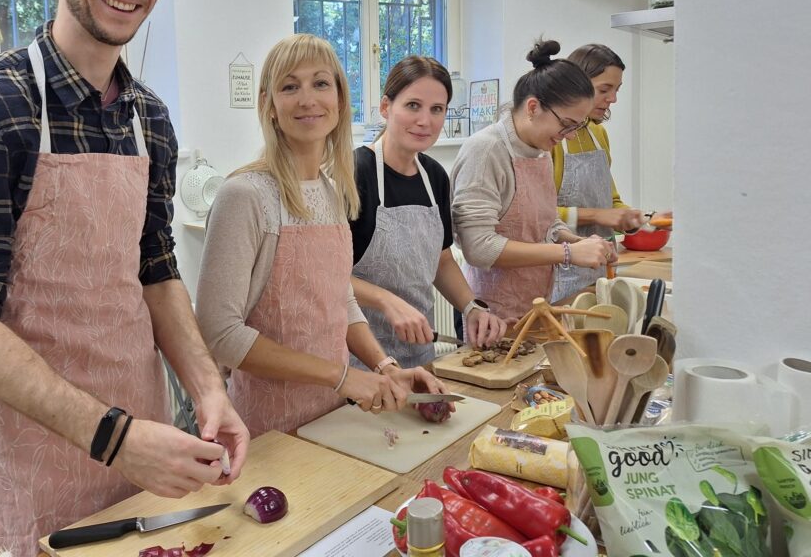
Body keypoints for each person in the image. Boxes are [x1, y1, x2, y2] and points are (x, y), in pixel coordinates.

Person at [0, 0, 249, 557]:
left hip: (146, 438)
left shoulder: (148, 118)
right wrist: (114, 437)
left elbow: (156, 270)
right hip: (28, 455)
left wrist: (209, 391)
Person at [195, 34, 443, 437]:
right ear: (269, 106)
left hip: (329, 417)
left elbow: (339, 301)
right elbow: (220, 333)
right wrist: (343, 377)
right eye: (289, 86)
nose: (307, 99)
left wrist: (385, 367)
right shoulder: (245, 195)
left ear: (341, 101)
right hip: (266, 426)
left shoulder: (332, 190)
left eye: (320, 83)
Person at [348, 56, 507, 367]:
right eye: (412, 106)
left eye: (437, 110)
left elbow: (441, 259)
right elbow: (327, 277)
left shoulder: (434, 176)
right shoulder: (355, 173)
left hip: (420, 354)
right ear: (385, 107)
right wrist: (387, 300)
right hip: (360, 360)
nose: (425, 120)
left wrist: (471, 306)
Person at [450, 39, 618, 324]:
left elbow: (546, 224)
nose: (570, 135)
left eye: (576, 127)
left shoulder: (540, 150)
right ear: (532, 107)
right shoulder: (487, 150)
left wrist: (579, 241)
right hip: (488, 313)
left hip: (535, 302)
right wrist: (568, 253)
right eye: (566, 124)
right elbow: (479, 247)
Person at [550, 43, 648, 302]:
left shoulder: (598, 134)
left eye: (617, 90)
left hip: (601, 267)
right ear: (577, 86)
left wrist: (635, 218)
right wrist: (600, 216)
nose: (613, 99)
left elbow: (610, 200)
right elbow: (540, 216)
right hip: (559, 269)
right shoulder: (551, 140)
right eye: (605, 89)